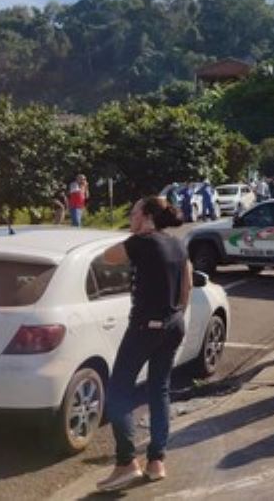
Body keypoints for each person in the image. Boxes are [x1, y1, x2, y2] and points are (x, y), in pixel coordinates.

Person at [96, 197, 189, 492]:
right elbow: (185, 287)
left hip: (144, 327)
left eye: (133, 212)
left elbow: (108, 257)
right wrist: (173, 317)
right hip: (174, 323)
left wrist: (137, 233)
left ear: (146, 216)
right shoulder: (177, 244)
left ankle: (126, 463)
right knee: (159, 388)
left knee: (118, 391)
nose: (130, 216)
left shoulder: (141, 243)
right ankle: (156, 462)